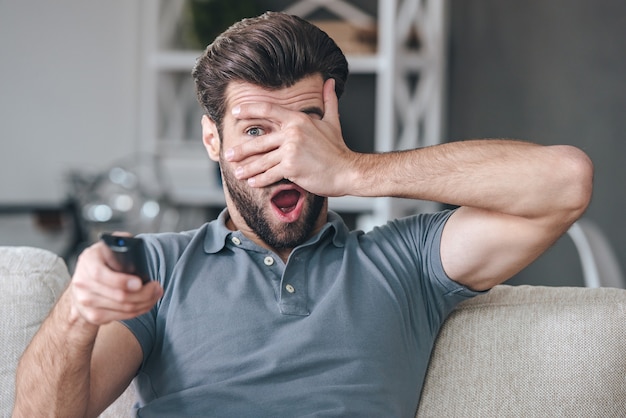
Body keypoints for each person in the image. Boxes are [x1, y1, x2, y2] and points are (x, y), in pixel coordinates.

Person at [13, 11, 593, 418]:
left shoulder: (405, 262)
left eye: (307, 126)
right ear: (212, 141)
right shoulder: (159, 266)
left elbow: (564, 182)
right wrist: (76, 314)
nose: (284, 158)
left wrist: (352, 171)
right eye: (257, 131)